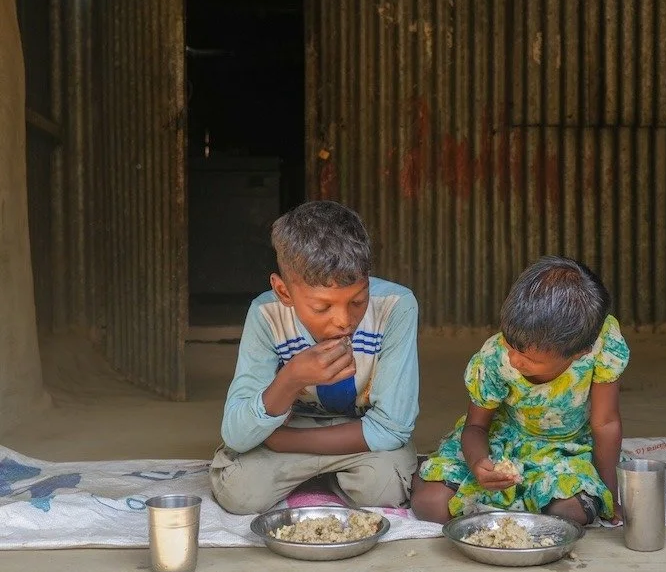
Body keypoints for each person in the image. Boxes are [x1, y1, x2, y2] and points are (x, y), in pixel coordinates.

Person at [210, 201, 419, 515]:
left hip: (353, 432)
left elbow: (392, 428)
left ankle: (318, 475)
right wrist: (291, 379)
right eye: (322, 307)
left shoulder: (395, 306)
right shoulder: (267, 314)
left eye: (358, 301)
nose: (343, 321)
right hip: (300, 425)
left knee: (384, 487)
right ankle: (332, 476)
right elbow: (237, 435)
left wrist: (282, 442)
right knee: (239, 492)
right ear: (284, 292)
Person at [411, 256, 630, 525]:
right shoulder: (494, 357)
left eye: (530, 359)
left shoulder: (601, 346)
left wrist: (610, 496)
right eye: (510, 344)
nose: (514, 360)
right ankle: (427, 473)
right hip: (502, 442)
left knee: (571, 515)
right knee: (430, 504)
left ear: (580, 352)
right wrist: (480, 464)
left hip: (565, 452)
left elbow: (605, 423)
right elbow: (476, 427)